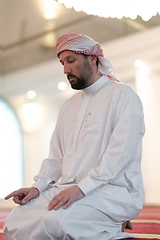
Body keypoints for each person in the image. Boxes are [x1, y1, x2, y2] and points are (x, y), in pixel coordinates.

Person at [3, 33, 145, 240]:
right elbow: (55, 158)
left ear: (92, 59)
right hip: (68, 189)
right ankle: (101, 224)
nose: (65, 69)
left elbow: (121, 153)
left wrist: (82, 189)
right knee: (15, 221)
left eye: (71, 60)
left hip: (111, 191)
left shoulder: (123, 95)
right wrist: (37, 187)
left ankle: (114, 225)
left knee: (57, 223)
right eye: (62, 63)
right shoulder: (69, 106)